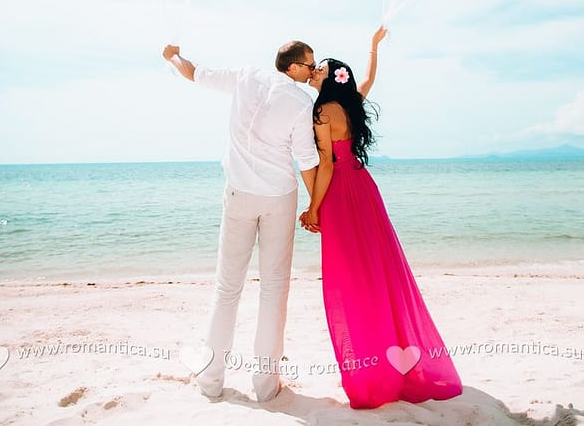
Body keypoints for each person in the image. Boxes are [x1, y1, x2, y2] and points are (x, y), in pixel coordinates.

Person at [299, 28, 463, 409]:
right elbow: (370, 78)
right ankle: (394, 359)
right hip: (364, 187)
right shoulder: (352, 103)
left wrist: (313, 207)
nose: (314, 71)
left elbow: (325, 162)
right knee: (378, 266)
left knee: (349, 273)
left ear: (331, 76)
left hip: (340, 190)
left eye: (318, 69)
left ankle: (372, 367)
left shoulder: (322, 111)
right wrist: (372, 48)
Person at [163, 40, 319, 403]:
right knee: (274, 291)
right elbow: (306, 158)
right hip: (279, 196)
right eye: (310, 65)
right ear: (293, 68)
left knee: (226, 289)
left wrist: (172, 56)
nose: (312, 72)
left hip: (239, 195)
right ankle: (266, 387)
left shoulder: (246, 77)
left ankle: (211, 381)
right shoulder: (299, 102)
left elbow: (195, 73)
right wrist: (316, 205)